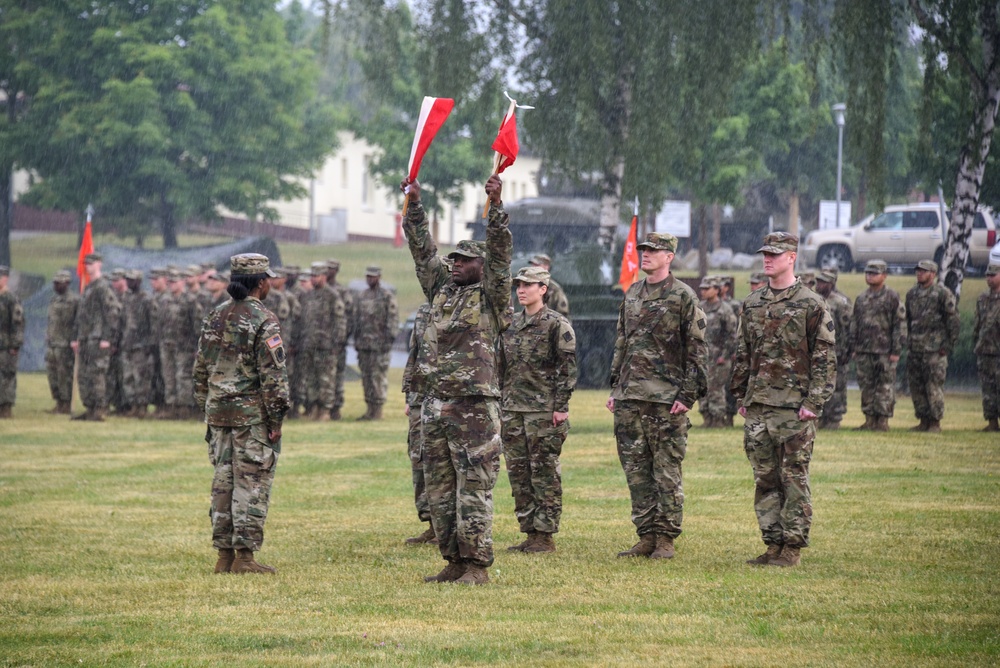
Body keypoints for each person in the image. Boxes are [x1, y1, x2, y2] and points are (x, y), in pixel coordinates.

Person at [401, 174, 512, 585]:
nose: (456, 264)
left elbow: (502, 256)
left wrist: (496, 207)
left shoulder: (493, 297)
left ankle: (477, 565)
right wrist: (414, 206)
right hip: (435, 402)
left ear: (482, 266)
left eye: (465, 259)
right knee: (441, 486)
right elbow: (421, 252)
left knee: (474, 484)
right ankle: (453, 560)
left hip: (474, 404)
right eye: (454, 259)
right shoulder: (442, 291)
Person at [730, 232, 836, 568]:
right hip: (759, 405)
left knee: (793, 478)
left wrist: (814, 402)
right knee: (765, 478)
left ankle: (792, 547)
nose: (767, 260)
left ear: (792, 257)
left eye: (775, 255)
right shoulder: (753, 303)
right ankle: (772, 544)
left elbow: (825, 358)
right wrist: (741, 395)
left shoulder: (811, 303)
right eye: (765, 254)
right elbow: (743, 353)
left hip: (793, 407)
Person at [606, 232, 708, 560]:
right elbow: (623, 339)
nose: (646, 254)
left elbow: (697, 348)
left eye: (654, 250)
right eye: (644, 250)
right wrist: (616, 386)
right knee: (636, 470)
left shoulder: (682, 296)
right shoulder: (633, 293)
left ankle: (665, 538)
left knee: (666, 469)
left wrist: (688, 394)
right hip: (630, 396)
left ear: (669, 257)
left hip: (666, 398)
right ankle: (646, 534)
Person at [194, 253, 289, 575]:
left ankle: (224, 556)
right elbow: (273, 378)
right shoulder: (263, 319)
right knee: (250, 484)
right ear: (261, 283)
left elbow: (200, 369)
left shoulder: (215, 315)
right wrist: (275, 421)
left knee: (223, 484)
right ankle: (245, 558)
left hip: (219, 414)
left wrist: (207, 406)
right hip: (251, 418)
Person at [500, 265, 577, 554]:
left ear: (543, 289)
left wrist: (561, 407)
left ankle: (545, 536)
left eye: (528, 285)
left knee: (543, 473)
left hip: (543, 411)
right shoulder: (511, 324)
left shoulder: (557, 324)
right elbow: (503, 368)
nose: (521, 289)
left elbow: (567, 369)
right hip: (513, 410)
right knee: (519, 474)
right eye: (519, 285)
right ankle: (530, 531)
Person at [850, 260, 906, 431]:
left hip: (885, 350)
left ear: (884, 276)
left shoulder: (892, 297)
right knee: (867, 386)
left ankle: (882, 421)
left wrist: (896, 350)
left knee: (884, 386)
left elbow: (899, 325)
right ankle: (869, 420)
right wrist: (853, 347)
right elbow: (855, 324)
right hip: (864, 350)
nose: (870, 276)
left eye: (874, 273)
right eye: (868, 273)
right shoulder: (861, 298)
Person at [905, 260, 960, 432]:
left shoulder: (942, 293)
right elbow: (907, 320)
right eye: (918, 270)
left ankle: (935, 422)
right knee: (917, 385)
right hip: (915, 348)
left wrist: (948, 345)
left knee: (933, 385)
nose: (919, 273)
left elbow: (953, 321)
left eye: (924, 271)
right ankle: (923, 420)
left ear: (933, 274)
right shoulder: (912, 294)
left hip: (935, 349)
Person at [71, 253, 121, 421]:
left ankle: (99, 409)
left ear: (99, 264)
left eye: (91, 263)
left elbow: (112, 313)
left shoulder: (102, 288)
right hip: (86, 339)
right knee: (84, 375)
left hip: (98, 339)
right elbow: (81, 316)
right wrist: (76, 337)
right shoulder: (89, 287)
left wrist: (107, 337)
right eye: (86, 263)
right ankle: (90, 407)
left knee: (97, 374)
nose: (88, 266)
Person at [403, 302, 437, 545]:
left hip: (443, 395)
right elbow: (414, 353)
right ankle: (432, 524)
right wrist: (410, 394)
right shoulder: (424, 311)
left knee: (440, 461)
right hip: (419, 395)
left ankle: (446, 525)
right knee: (419, 457)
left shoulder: (462, 308)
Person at [299, 262, 346, 421]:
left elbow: (339, 321)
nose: (313, 279)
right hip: (309, 345)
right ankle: (313, 408)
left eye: (316, 276)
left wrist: (337, 343)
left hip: (327, 346)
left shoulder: (332, 296)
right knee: (311, 379)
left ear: (324, 277)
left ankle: (325, 410)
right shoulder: (307, 296)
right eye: (311, 276)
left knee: (326, 380)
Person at [353, 266, 398, 421]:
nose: (370, 279)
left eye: (373, 276)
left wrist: (389, 339)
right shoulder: (361, 296)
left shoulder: (386, 296)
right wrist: (356, 339)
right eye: (368, 276)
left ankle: (378, 410)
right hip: (364, 345)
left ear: (379, 277)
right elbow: (356, 319)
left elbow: (392, 320)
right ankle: (369, 409)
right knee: (366, 378)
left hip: (380, 346)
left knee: (377, 377)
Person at [814, 269, 852, 430]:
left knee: (837, 387)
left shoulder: (840, 302)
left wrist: (846, 352)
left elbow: (848, 330)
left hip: (837, 352)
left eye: (823, 282)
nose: (819, 285)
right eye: (818, 281)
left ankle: (834, 419)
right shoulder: (814, 300)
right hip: (818, 352)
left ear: (831, 284)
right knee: (819, 385)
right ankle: (821, 417)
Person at [698, 276, 738, 428]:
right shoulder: (700, 308)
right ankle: (706, 417)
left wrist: (725, 356)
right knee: (702, 388)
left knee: (716, 389)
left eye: (707, 289)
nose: (703, 291)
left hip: (719, 357)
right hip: (703, 356)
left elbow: (732, 336)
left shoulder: (725, 310)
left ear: (716, 290)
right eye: (702, 288)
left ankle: (718, 419)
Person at [120, 269, 155, 418]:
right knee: (129, 377)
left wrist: (150, 344)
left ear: (139, 282)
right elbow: (123, 321)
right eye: (127, 279)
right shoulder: (126, 298)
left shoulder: (146, 299)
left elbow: (153, 323)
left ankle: (142, 406)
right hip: (128, 343)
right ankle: (133, 405)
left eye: (132, 280)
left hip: (141, 344)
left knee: (141, 377)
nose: (129, 283)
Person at [46, 270, 79, 415]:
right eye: (55, 283)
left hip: (65, 344)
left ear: (66, 284)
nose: (56, 286)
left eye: (59, 283)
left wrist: (74, 339)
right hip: (53, 343)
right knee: (52, 374)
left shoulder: (74, 301)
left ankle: (66, 403)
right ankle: (58, 401)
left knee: (64, 375)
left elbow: (77, 323)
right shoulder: (54, 300)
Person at [326, 259, 354, 420]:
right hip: (323, 342)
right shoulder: (322, 290)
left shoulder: (342, 292)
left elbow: (348, 317)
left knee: (337, 376)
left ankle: (335, 408)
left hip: (338, 342)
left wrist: (342, 338)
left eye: (331, 269)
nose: (328, 271)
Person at [974, 263, 1000, 432]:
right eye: (987, 276)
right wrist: (975, 343)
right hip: (985, 350)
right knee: (988, 388)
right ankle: (992, 423)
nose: (989, 278)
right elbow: (978, 324)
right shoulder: (983, 298)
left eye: (993, 275)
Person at [0, 265, 24, 419]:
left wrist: (15, 345)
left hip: (6, 345)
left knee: (7, 375)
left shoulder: (11, 298)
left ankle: (6, 408)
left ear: (6, 278)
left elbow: (18, 323)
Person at [528, 254, 570, 318]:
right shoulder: (525, 286)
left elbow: (563, 314)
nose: (533, 267)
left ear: (546, 267)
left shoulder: (554, 289)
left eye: (537, 265)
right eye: (533, 265)